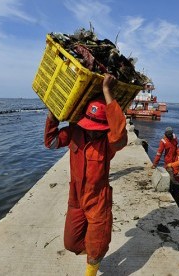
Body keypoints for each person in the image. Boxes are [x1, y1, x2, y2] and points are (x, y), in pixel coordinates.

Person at [44, 73, 128, 276]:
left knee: (97, 245)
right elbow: (51, 141)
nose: (93, 132)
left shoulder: (108, 142)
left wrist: (107, 91)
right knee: (71, 243)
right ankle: (92, 253)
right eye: (90, 128)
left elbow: (120, 135)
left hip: (98, 199)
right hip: (76, 197)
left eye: (98, 129)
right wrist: (52, 115)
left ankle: (92, 265)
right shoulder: (75, 131)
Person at [151, 127, 179, 206]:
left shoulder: (174, 139)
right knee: (171, 177)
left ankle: (174, 191)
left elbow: (178, 149)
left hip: (175, 162)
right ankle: (172, 191)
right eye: (168, 135)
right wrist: (155, 164)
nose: (170, 136)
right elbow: (159, 153)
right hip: (168, 163)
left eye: (170, 135)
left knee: (173, 176)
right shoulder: (163, 141)